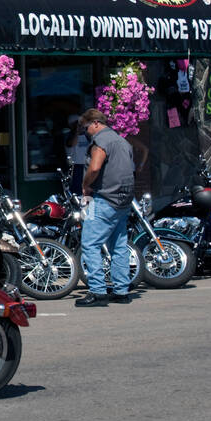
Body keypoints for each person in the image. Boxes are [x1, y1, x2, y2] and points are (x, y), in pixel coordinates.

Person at [75, 109, 135, 307]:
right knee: (118, 245)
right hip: (124, 200)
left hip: (103, 198)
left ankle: (98, 292)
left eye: (86, 128)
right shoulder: (122, 141)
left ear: (95, 123)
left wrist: (86, 185)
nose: (86, 132)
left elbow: (94, 168)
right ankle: (121, 291)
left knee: (90, 244)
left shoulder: (101, 141)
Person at [65, 114, 90, 191]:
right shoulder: (68, 136)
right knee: (77, 191)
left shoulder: (87, 136)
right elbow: (71, 144)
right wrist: (76, 130)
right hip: (76, 167)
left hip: (87, 166)